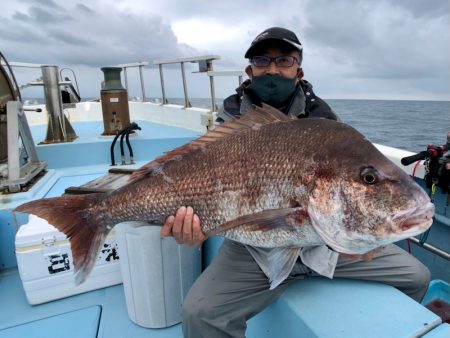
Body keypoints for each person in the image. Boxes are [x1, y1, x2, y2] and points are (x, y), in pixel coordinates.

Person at [160, 27, 431, 338]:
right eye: (262, 61)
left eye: (284, 60)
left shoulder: (328, 124)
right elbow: (203, 188)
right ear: (250, 71)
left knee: (416, 277)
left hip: (326, 247)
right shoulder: (230, 126)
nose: (273, 69)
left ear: (298, 71)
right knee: (199, 314)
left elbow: (344, 195)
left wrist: (366, 240)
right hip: (254, 248)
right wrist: (195, 233)